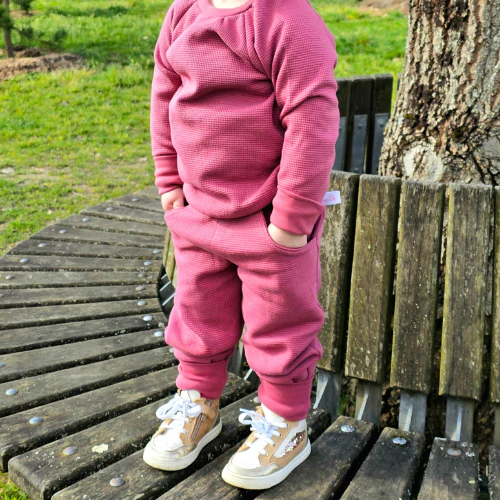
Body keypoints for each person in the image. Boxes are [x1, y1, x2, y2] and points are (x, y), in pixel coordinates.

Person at [142, 0, 340, 489]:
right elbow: (165, 96)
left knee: (280, 323)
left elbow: (312, 118)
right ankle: (198, 403)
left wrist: (291, 219)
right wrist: (169, 182)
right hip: (198, 209)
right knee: (197, 313)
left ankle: (286, 423)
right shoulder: (184, 13)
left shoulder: (289, 20)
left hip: (268, 218)